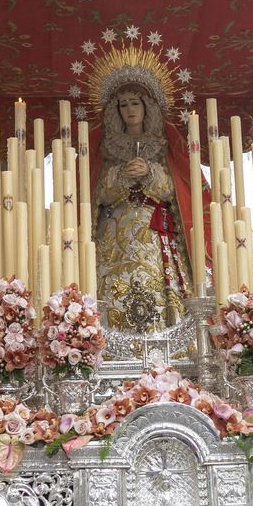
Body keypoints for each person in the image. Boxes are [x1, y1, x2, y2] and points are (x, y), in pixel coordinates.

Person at [91, 61, 196, 332]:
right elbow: (96, 192)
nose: (130, 110)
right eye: (123, 105)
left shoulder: (163, 144)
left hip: (154, 229)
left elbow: (179, 189)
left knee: (158, 282)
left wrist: (151, 172)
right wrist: (120, 176)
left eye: (135, 103)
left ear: (146, 106)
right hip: (115, 229)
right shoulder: (106, 147)